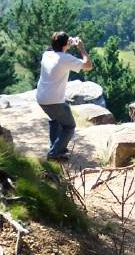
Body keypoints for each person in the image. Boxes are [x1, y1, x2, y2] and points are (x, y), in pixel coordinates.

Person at [36, 32, 93, 161]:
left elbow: (56, 50)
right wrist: (81, 48)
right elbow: (88, 66)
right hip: (54, 100)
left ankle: (56, 147)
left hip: (41, 97)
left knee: (55, 119)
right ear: (65, 45)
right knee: (69, 126)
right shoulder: (66, 59)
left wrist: (68, 43)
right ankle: (54, 154)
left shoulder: (47, 54)